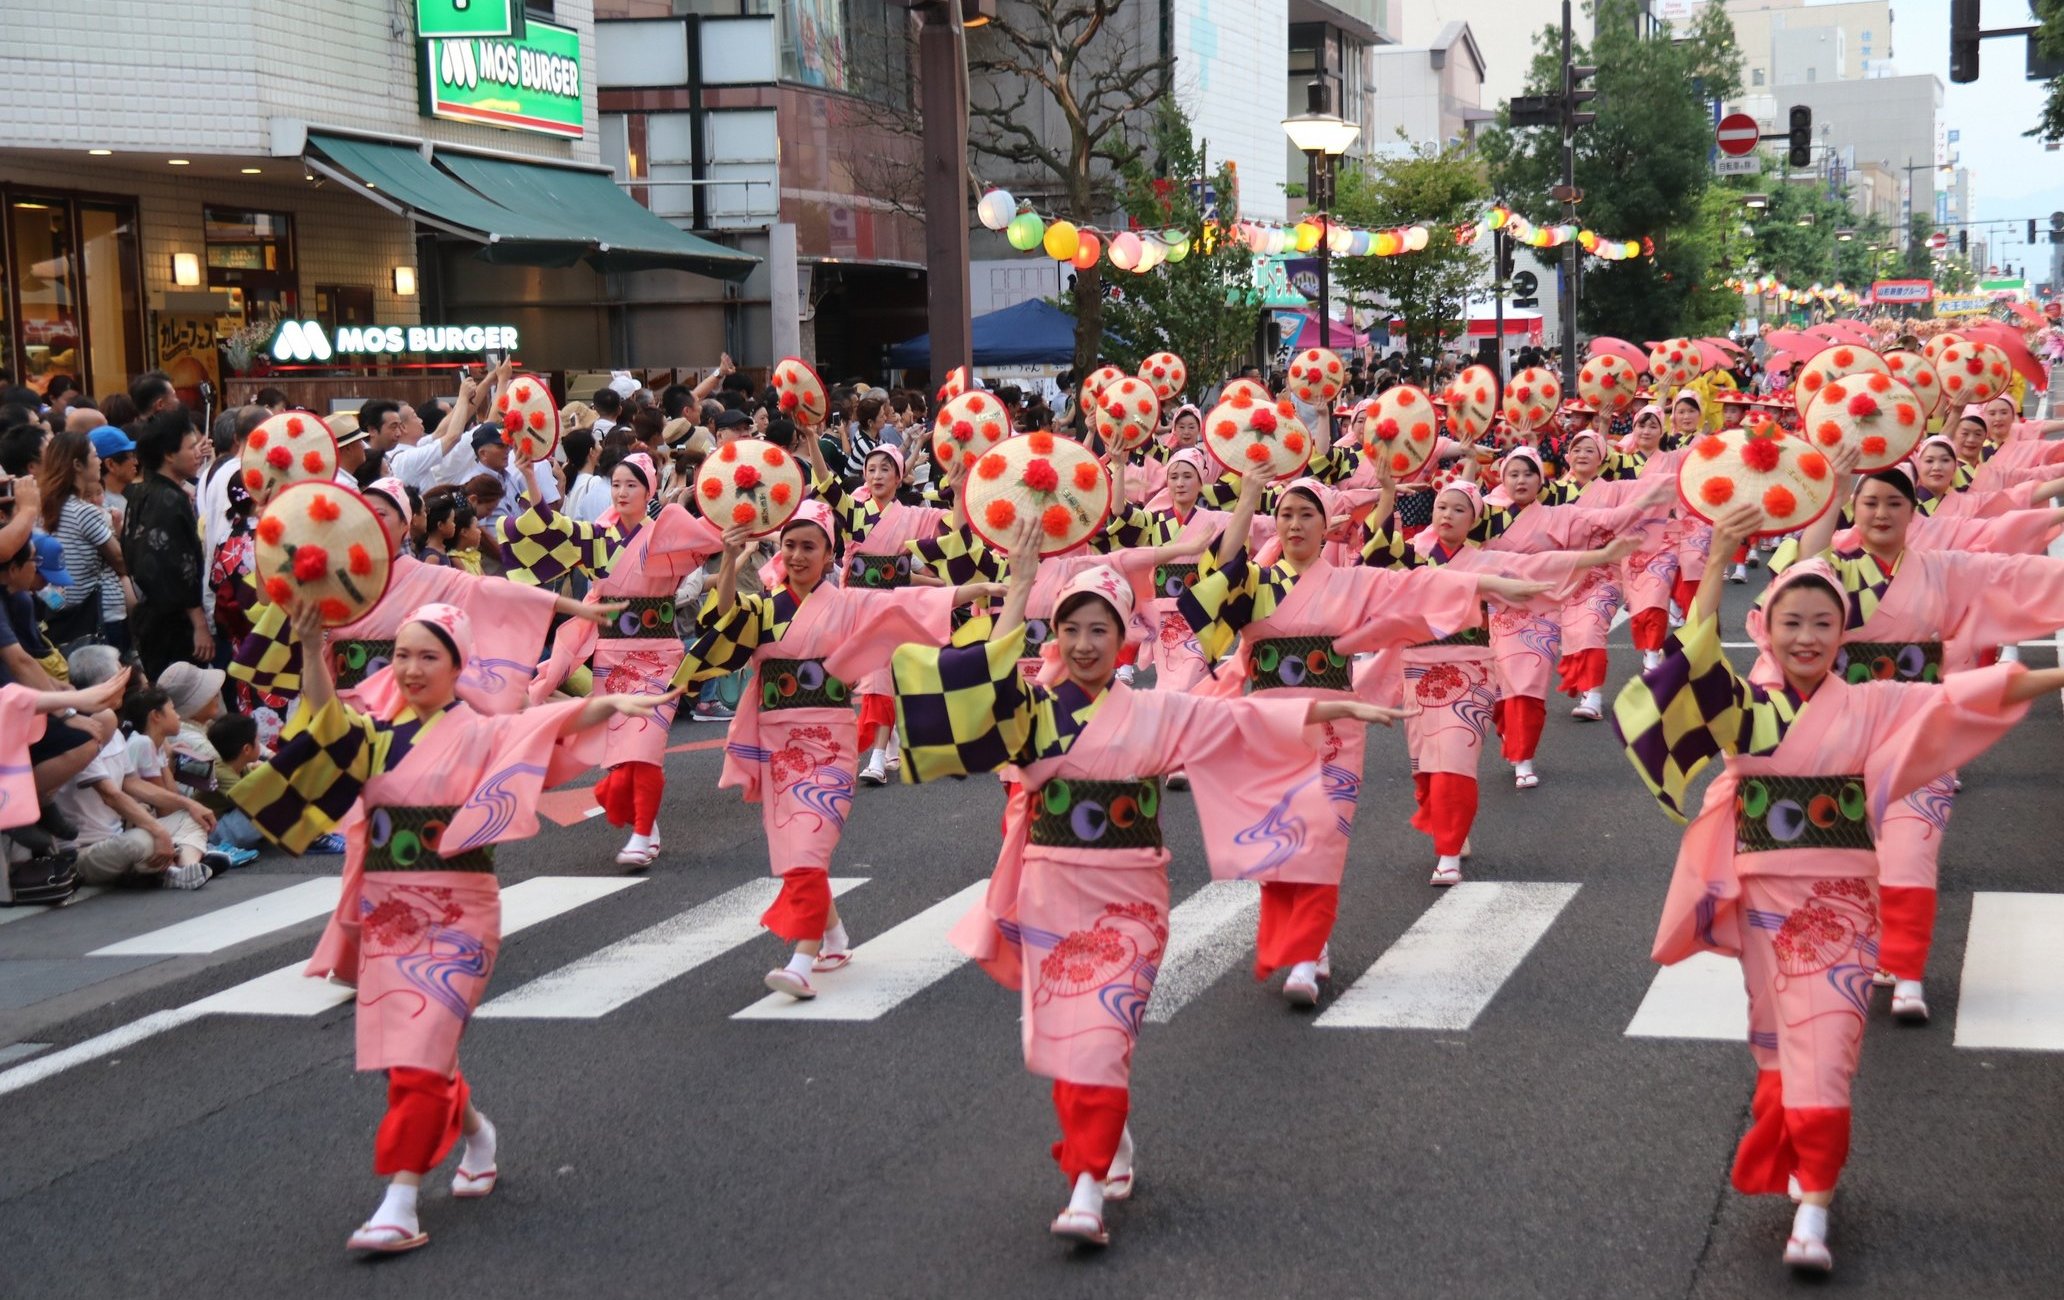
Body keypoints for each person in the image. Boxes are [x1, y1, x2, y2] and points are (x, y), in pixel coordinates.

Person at [892, 526, 1411, 1245]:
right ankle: (1106, 1152)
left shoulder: (1158, 711)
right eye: (1069, 629)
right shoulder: (1033, 710)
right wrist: (1016, 596)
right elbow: (975, 700)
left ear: (1124, 638)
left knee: (1100, 1036)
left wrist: (1340, 707)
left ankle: (1085, 1185)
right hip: (1050, 886)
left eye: (1098, 630)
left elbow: (1242, 719)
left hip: (1132, 894)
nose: (1082, 644)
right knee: (1072, 1043)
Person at [1612, 500, 2064, 1275]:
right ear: (1766, 630)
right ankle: (1795, 1159)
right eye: (1793, 622)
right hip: (1763, 904)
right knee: (1780, 1054)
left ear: (1842, 633)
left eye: (1825, 623)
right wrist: (1718, 561)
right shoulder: (1745, 707)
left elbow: (1964, 698)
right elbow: (1687, 665)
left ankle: (1814, 1207)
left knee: (1826, 1052)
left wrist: (2055, 673)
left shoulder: (1873, 703)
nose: (1808, 637)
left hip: (1844, 906)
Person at [228, 598, 678, 1255]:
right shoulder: (375, 734)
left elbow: (549, 722)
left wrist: (614, 705)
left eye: (427, 656)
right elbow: (326, 730)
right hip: (390, 912)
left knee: (415, 1059)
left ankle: (400, 1202)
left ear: (458, 664)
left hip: (460, 912)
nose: (410, 669)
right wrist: (309, 652)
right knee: (409, 1057)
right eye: (401, 655)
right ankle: (477, 1132)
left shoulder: (485, 730)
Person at [1181, 468, 1561, 994]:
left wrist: (1491, 584)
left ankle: (1308, 952)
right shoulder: (1255, 583)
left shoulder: (1350, 581)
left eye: (1306, 515)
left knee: (1324, 837)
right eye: (1285, 515)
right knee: (1279, 845)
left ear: (1325, 525)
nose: (1294, 525)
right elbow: (1218, 579)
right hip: (1269, 726)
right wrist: (1247, 496)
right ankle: (1305, 942)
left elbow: (1416, 583)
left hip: (1336, 723)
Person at [679, 500, 999, 998]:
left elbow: (903, 604)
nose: (798, 555)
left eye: (810, 546)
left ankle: (802, 960)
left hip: (828, 742)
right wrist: (727, 561)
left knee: (806, 846)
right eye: (790, 546)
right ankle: (834, 937)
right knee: (793, 851)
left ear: (830, 554)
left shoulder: (849, 602)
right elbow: (726, 622)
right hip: (776, 744)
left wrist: (973, 590)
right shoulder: (767, 607)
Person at [1361, 478, 1636, 883]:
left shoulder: (1483, 560)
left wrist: (1599, 557)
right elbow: (1377, 554)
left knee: (1455, 759)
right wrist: (1387, 494)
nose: (1447, 515)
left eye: (1459, 509)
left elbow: (1534, 566)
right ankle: (1450, 830)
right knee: (1427, 770)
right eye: (1441, 507)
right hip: (1418, 670)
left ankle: (1448, 853)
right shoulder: (1415, 553)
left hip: (1470, 668)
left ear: (1474, 519)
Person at [503, 452, 722, 867]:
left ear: (649, 491)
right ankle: (642, 821)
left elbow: (713, 534)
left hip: (660, 655)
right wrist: (531, 475)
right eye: (616, 484)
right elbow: (549, 529)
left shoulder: (668, 532)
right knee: (623, 753)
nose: (621, 492)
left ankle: (642, 832)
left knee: (646, 744)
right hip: (612, 656)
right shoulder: (597, 534)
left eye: (631, 485)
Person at [122, 407, 211, 678]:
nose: (199, 453)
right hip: (174, 625)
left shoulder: (142, 492)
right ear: (169, 455)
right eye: (191, 447)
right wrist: (199, 624)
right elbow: (179, 568)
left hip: (153, 619)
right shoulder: (169, 500)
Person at [38, 429, 130, 655]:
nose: (99, 461)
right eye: (95, 455)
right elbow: (121, 560)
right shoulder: (84, 512)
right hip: (101, 616)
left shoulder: (50, 507)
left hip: (66, 614)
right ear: (78, 465)